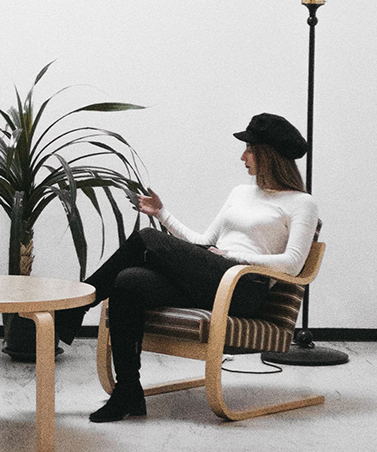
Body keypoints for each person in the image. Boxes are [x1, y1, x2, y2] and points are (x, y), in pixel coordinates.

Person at [54, 112, 320, 423]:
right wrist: (162, 213)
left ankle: (77, 305)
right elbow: (203, 240)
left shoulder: (303, 203)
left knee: (145, 238)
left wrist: (237, 259)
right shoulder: (240, 192)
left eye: (249, 149)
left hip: (244, 288)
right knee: (128, 281)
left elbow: (293, 263)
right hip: (212, 276)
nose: (242, 156)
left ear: (268, 154)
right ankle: (128, 392)